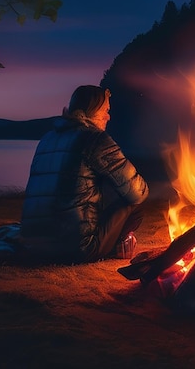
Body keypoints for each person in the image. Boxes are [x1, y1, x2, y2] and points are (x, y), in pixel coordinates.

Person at [20, 85, 149, 263]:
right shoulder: (95, 138)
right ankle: (118, 246)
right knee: (135, 199)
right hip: (77, 249)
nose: (108, 116)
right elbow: (138, 191)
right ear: (92, 110)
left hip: (32, 245)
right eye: (106, 110)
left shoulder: (47, 139)